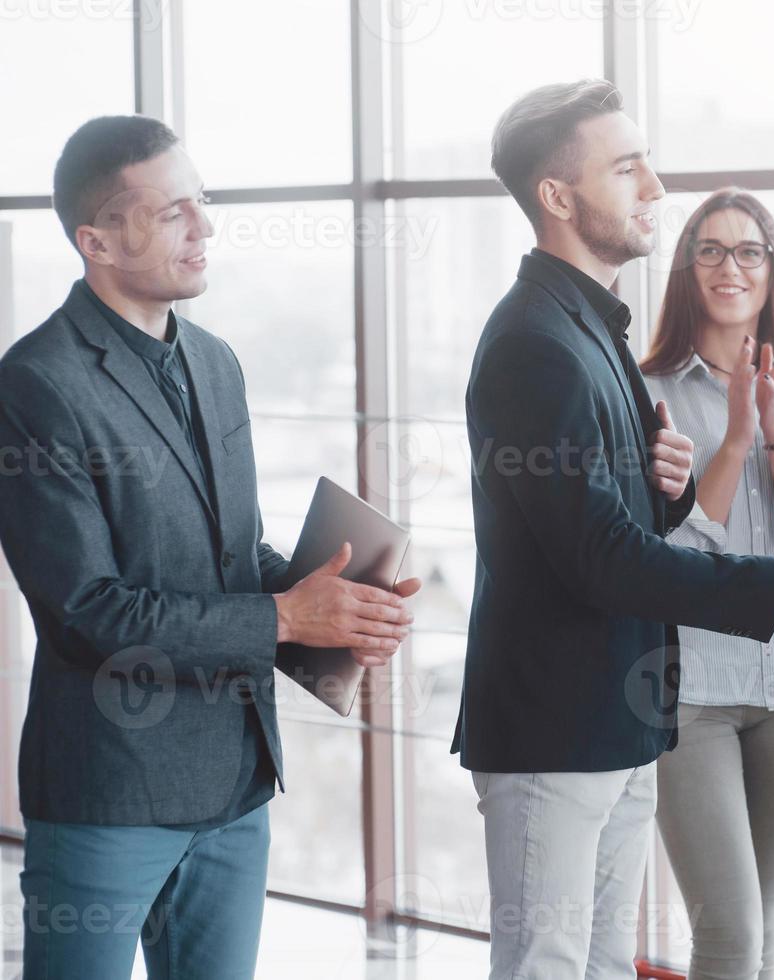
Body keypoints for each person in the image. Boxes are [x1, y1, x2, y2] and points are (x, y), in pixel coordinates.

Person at [0, 115, 420, 980]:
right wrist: (285, 614)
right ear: (98, 240)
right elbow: (87, 613)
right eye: (172, 212)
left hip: (237, 784)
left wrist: (338, 604)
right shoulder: (36, 384)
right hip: (109, 793)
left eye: (204, 201)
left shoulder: (216, 361)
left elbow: (234, 556)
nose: (206, 228)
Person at [451, 81, 774, 979]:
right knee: (546, 964)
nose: (655, 189)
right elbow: (595, 555)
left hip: (617, 725)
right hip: (556, 726)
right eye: (627, 168)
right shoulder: (535, 344)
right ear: (556, 197)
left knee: (596, 965)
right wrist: (763, 588)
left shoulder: (593, 331)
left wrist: (661, 495)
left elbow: (596, 523)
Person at [641, 188, 774, 980]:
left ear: (772, 271)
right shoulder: (648, 391)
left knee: (766, 931)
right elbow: (681, 549)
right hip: (691, 689)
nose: (731, 267)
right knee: (728, 934)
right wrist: (732, 438)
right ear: (687, 269)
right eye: (711, 250)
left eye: (749, 252)